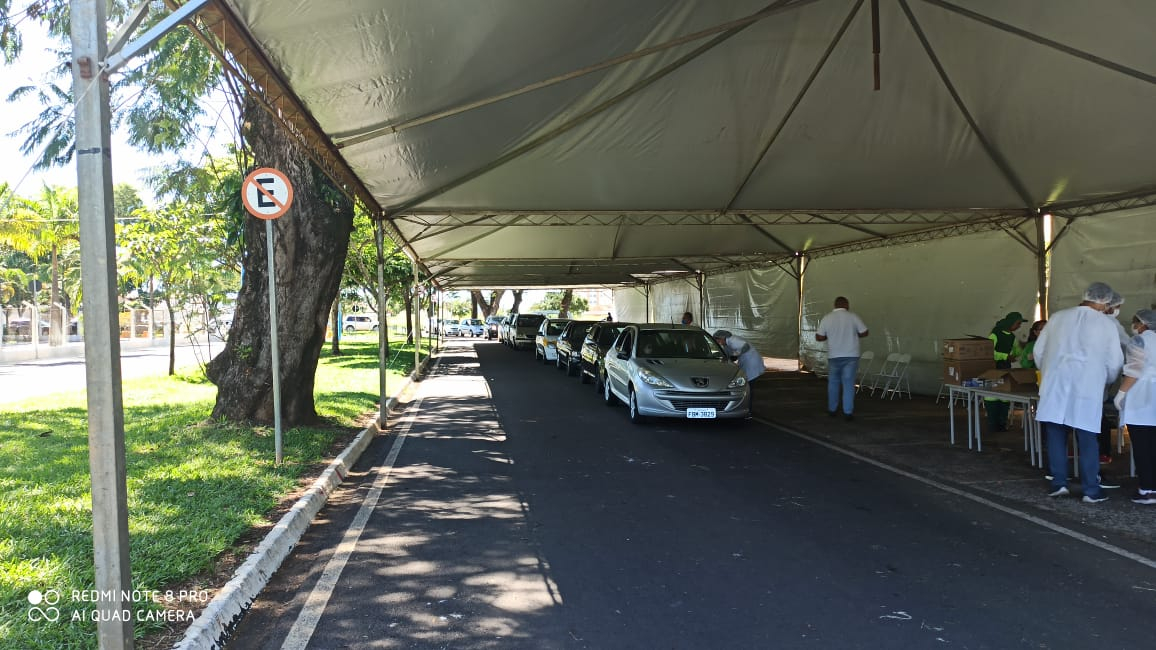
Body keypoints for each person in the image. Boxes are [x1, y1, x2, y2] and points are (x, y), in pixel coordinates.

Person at [1033, 282, 1125, 503]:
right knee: (1087, 439)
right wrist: (1106, 381)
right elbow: (1115, 362)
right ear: (1104, 302)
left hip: (1056, 385)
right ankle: (1090, 491)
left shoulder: (1058, 317)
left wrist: (1047, 372)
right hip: (1087, 388)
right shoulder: (1106, 324)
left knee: (1056, 435)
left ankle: (1059, 484)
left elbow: (1039, 351)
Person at [1114, 309, 1156, 505]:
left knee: (1142, 446)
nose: (1135, 327)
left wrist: (1121, 393)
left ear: (1142, 324)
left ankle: (1147, 489)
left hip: (1142, 396)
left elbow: (1134, 370)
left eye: (1136, 323)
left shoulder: (1139, 341)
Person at [816, 297, 869, 421]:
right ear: (847, 305)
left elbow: (819, 337)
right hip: (851, 355)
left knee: (833, 383)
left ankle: (832, 410)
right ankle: (848, 412)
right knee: (848, 384)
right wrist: (855, 334)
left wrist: (829, 337)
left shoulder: (827, 318)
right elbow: (865, 332)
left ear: (834, 305)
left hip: (834, 355)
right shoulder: (853, 317)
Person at [985, 311, 1025, 432]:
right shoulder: (995, 334)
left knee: (1005, 396)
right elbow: (988, 351)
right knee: (991, 396)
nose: (1019, 326)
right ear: (1011, 323)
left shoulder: (1012, 337)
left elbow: (1017, 351)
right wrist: (1005, 356)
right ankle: (992, 423)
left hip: (1006, 369)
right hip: (993, 369)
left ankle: (1002, 423)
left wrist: (1019, 351)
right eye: (1018, 323)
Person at [712, 329, 765, 413]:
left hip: (752, 362)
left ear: (722, 338)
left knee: (749, 386)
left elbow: (745, 346)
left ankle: (748, 409)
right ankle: (747, 408)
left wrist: (736, 354)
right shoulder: (726, 344)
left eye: (717, 340)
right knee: (747, 385)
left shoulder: (733, 340)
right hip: (747, 363)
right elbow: (726, 355)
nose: (718, 342)